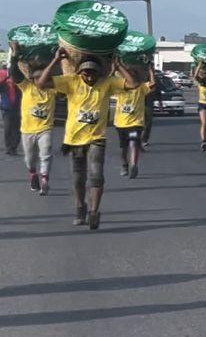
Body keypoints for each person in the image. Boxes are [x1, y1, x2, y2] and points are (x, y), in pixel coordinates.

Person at [38, 49, 136, 230]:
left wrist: (118, 65)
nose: (90, 77)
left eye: (93, 73)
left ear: (99, 73)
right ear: (79, 72)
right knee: (78, 178)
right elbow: (41, 83)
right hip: (74, 140)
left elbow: (133, 84)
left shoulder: (107, 84)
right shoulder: (71, 82)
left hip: (96, 138)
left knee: (96, 176)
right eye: (86, 73)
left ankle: (94, 212)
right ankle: (80, 207)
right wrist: (56, 60)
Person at [6, 43, 56, 194]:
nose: (40, 80)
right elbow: (14, 73)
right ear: (32, 79)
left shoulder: (53, 90)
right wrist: (15, 55)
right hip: (27, 131)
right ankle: (33, 174)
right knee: (30, 159)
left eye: (43, 77)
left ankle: (45, 179)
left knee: (46, 153)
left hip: (45, 129)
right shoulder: (26, 87)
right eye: (37, 78)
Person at [113, 62, 155, 179]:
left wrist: (151, 71)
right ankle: (124, 164)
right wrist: (114, 68)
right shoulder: (119, 88)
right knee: (123, 148)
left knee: (134, 142)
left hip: (136, 123)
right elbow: (107, 82)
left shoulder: (141, 87)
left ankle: (133, 165)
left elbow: (153, 85)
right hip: (121, 123)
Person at [0, 65, 22, 156]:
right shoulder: (3, 84)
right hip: (6, 110)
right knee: (8, 128)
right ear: (10, 75)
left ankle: (14, 147)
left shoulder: (20, 85)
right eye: (13, 76)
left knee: (17, 129)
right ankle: (9, 147)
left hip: (17, 109)